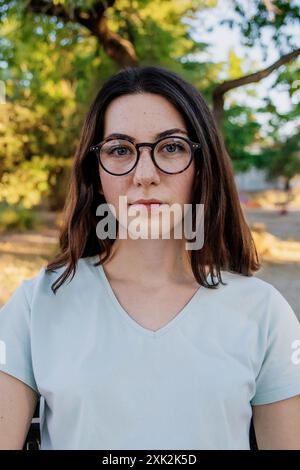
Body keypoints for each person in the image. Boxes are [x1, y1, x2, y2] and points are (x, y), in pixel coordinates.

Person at [0, 65, 300, 450]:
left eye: (171, 147)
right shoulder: (35, 306)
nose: (144, 174)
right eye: (120, 150)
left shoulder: (264, 313)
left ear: (202, 164)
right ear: (97, 173)